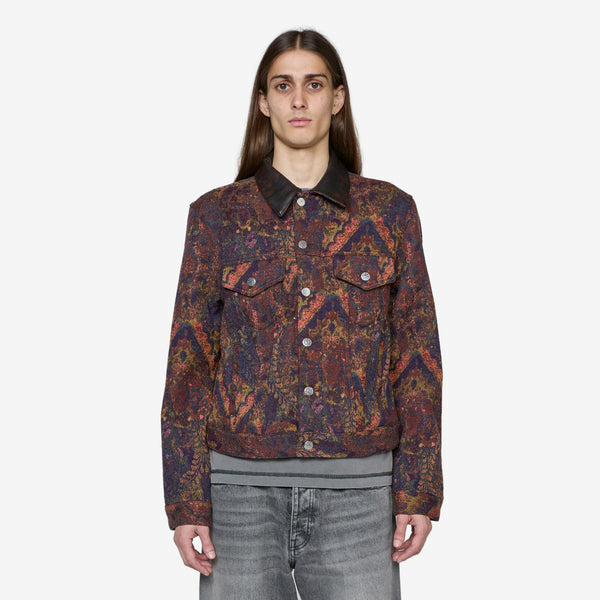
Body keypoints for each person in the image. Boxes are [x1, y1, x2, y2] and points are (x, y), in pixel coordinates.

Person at [161, 28, 443, 599]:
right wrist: (186, 500)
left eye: (313, 85)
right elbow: (188, 367)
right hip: (238, 496)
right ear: (263, 102)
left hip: (361, 496)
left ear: (336, 98)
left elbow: (417, 357)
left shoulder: (389, 213)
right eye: (282, 85)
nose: (298, 100)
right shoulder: (217, 216)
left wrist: (417, 488)